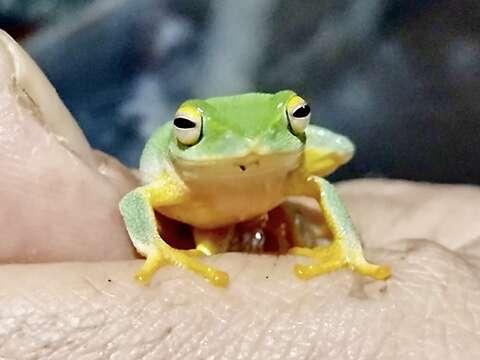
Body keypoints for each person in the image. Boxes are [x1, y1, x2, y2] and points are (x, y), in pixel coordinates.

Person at [1, 31, 480, 359]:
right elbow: (134, 201)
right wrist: (158, 250)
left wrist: (351, 252)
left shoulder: (293, 176)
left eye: (296, 118)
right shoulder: (173, 180)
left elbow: (323, 189)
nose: (249, 146)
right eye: (189, 128)